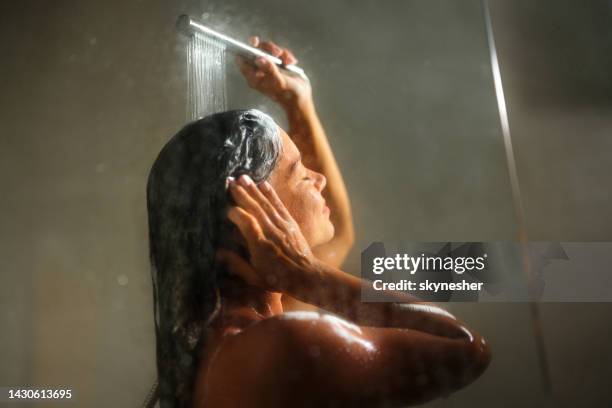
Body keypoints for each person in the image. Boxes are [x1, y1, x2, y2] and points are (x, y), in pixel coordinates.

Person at [146, 37, 491, 408]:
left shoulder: (230, 334)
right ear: (254, 214)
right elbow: (466, 348)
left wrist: (298, 103)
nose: (319, 179)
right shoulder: (281, 342)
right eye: (298, 172)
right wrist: (309, 276)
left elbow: (336, 234)